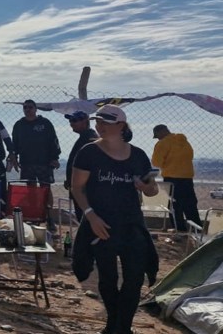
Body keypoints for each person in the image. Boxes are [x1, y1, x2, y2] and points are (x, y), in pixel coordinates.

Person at [71, 105, 159, 334]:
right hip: (102, 224)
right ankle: (114, 325)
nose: (100, 126)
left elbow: (153, 189)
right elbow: (77, 188)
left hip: (132, 224)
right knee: (108, 277)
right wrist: (91, 216)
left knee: (135, 277)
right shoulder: (89, 152)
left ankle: (122, 327)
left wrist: (145, 187)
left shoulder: (138, 155)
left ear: (121, 126)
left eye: (106, 122)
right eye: (98, 121)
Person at [11, 99, 61, 228]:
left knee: (46, 189)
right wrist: (14, 157)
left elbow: (53, 141)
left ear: (35, 109)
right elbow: (14, 144)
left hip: (44, 162)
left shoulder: (45, 123)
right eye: (25, 107)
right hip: (27, 163)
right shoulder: (19, 125)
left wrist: (55, 157)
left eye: (30, 107)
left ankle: (49, 217)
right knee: (31, 190)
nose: (28, 109)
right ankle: (34, 216)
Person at [152, 124, 201, 232]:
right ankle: (197, 230)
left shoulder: (162, 143)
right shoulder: (184, 141)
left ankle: (179, 230)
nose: (158, 138)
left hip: (172, 178)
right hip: (187, 178)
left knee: (174, 205)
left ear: (161, 132)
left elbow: (156, 162)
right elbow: (190, 156)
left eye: (157, 135)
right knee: (190, 205)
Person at [64, 111, 98, 222]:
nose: (71, 123)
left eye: (74, 120)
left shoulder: (90, 139)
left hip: (85, 189)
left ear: (85, 122)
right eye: (70, 121)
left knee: (86, 219)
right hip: (80, 187)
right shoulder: (84, 138)